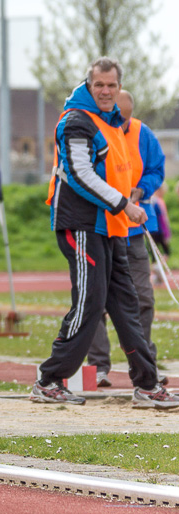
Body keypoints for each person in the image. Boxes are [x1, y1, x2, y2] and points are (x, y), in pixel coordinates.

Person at [32, 57, 179, 409]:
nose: (106, 90)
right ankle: (49, 379)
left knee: (127, 305)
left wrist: (131, 202)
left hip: (111, 228)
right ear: (88, 84)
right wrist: (123, 204)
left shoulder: (113, 123)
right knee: (90, 302)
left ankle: (147, 384)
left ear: (119, 86)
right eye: (99, 84)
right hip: (81, 224)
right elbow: (80, 174)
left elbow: (123, 172)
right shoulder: (75, 121)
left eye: (111, 85)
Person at [85, 89, 165, 388]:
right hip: (99, 226)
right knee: (95, 298)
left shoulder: (144, 133)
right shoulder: (90, 129)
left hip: (133, 230)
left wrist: (142, 189)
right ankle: (98, 367)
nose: (123, 123)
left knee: (143, 297)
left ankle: (144, 363)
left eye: (127, 118)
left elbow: (157, 169)